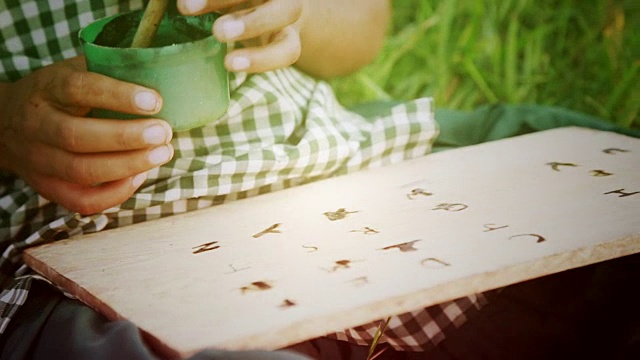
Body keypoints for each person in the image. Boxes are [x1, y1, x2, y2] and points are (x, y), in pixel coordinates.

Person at [1, 1, 639, 359]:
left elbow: (360, 30)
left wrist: (291, 13)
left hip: (330, 157)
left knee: (610, 186)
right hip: (61, 255)